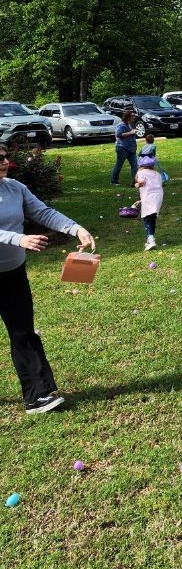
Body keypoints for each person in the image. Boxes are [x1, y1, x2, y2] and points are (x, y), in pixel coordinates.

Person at [0, 142, 96, 413]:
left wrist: (76, 229)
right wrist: (19, 238)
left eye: (5, 156)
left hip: (11, 273)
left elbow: (43, 212)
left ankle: (37, 396)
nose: (5, 161)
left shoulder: (15, 188)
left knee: (23, 333)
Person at [134, 152, 164, 251]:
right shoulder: (157, 174)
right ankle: (150, 238)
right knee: (152, 217)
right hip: (158, 197)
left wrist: (137, 185)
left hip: (148, 197)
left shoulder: (141, 173)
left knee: (147, 218)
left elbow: (142, 182)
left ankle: (151, 239)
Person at [110, 108, 139, 186]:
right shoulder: (121, 125)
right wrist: (130, 132)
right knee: (119, 164)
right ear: (128, 117)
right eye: (132, 116)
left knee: (134, 165)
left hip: (131, 149)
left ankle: (134, 182)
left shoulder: (130, 124)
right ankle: (114, 181)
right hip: (122, 148)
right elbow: (118, 135)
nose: (134, 117)